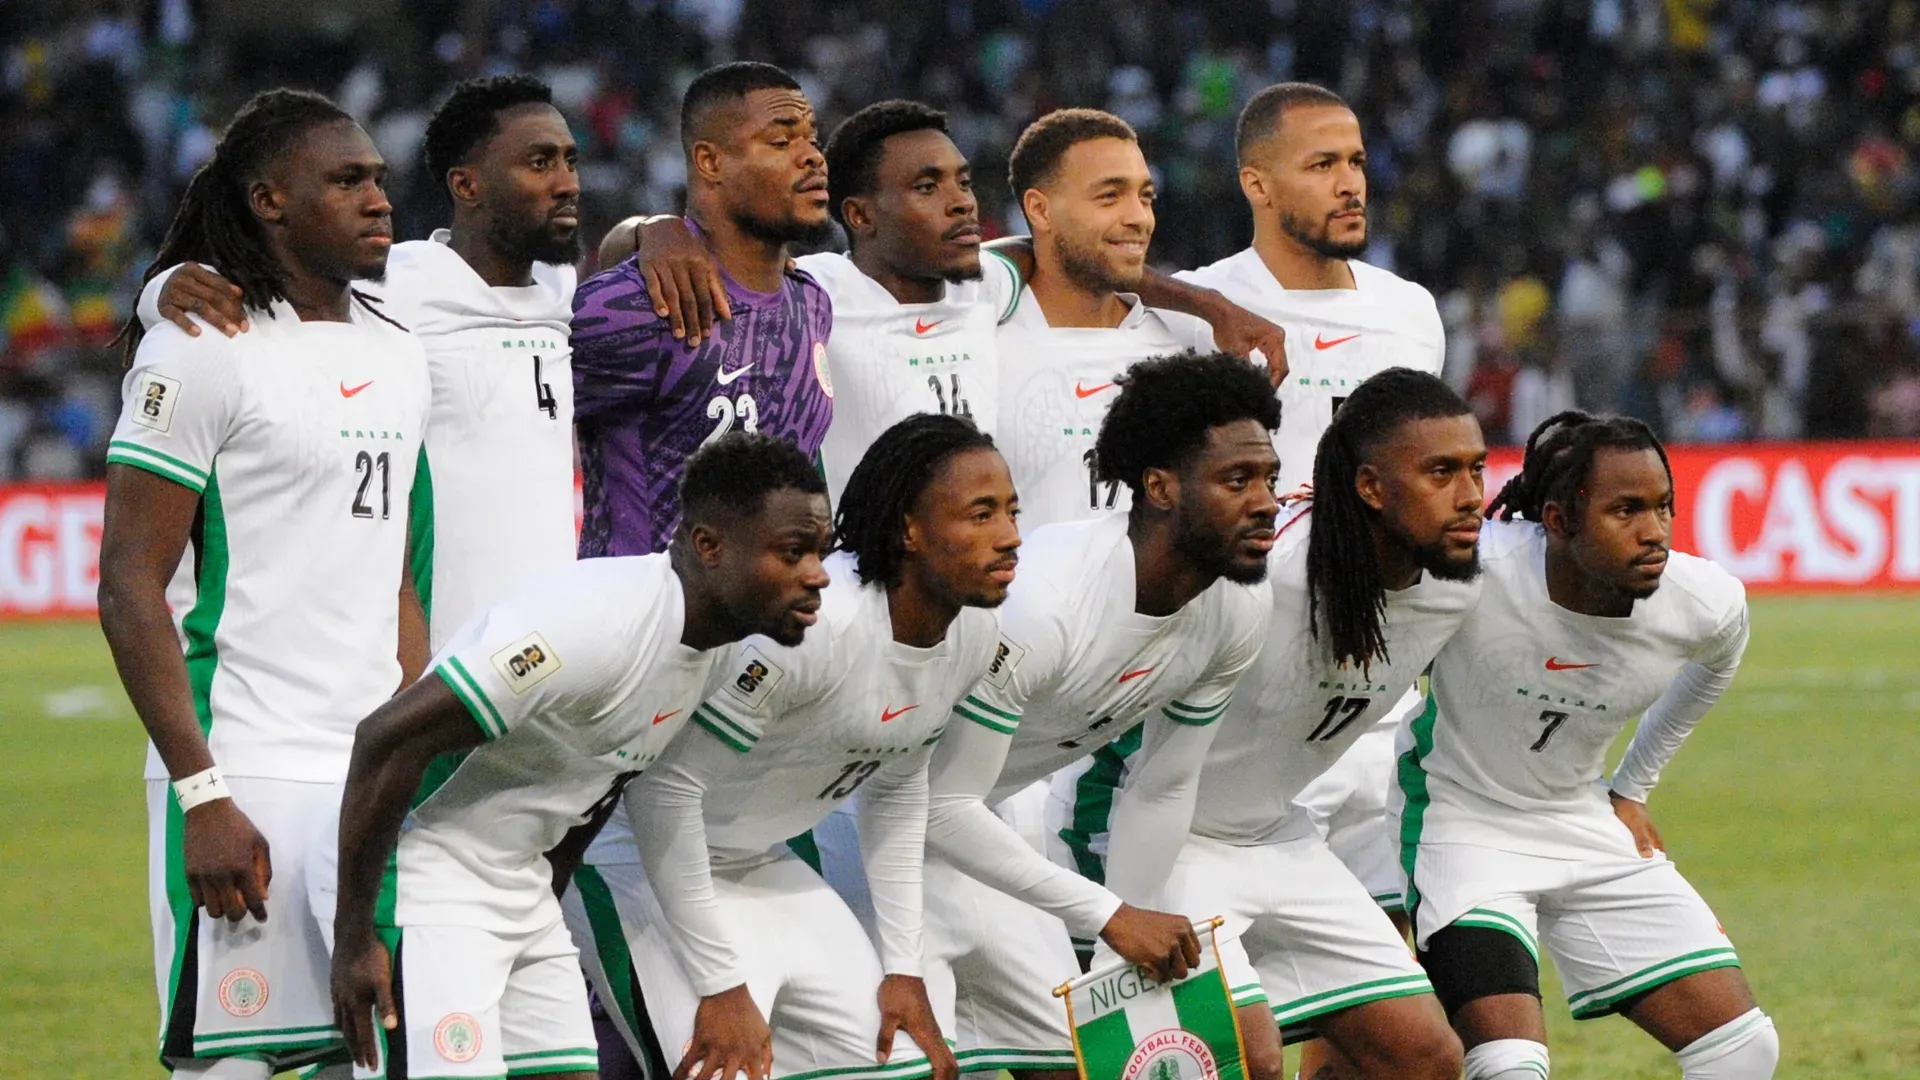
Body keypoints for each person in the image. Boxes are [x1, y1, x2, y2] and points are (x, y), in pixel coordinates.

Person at [1052, 88, 1446, 1055]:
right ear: (1257, 185)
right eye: (1322, 165)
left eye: (1356, 161)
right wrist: (1200, 304)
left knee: (1372, 1027)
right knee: (1234, 1037)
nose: (1350, 183)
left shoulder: (1410, 312)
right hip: (1233, 708)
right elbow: (1038, 255)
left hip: (1362, 709)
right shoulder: (1189, 310)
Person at [96, 88, 429, 1079]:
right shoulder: (201, 348)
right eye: (347, 180)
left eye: (379, 178)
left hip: (368, 777)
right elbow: (128, 584)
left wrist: (412, 761)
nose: (379, 198)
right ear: (269, 200)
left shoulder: (400, 350)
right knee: (231, 1065)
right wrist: (203, 795)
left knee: (369, 1056)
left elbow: (398, 581)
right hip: (245, 767)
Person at [327, 433, 833, 1080]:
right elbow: (385, 739)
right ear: (710, 546)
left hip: (524, 888)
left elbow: (606, 781)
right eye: (793, 552)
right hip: (426, 881)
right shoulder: (593, 626)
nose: (817, 574)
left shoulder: (719, 649)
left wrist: (547, 889)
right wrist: (356, 934)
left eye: (820, 552)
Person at [571, 414, 1019, 1080]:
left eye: (1012, 512)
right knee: (719, 1067)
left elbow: (898, 789)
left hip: (761, 860)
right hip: (636, 858)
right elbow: (663, 789)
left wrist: (904, 967)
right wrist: (720, 982)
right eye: (981, 515)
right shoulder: (812, 628)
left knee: (901, 1067)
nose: (1010, 536)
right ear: (910, 530)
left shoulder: (975, 636)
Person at [601, 99, 1280, 509]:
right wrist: (653, 230)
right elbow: (623, 261)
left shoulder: (983, 286)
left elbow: (1069, 251)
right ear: (861, 215)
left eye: (963, 182)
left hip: (974, 598)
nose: (961, 201)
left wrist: (1207, 305)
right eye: (928, 187)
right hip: (862, 596)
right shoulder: (819, 292)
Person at [920, 351, 1279, 1078]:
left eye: (1270, 477)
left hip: (979, 828)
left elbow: (1163, 786)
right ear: (1160, 487)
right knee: (912, 1065)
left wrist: (1130, 937)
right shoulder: (1045, 602)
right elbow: (934, 801)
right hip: (868, 826)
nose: (1268, 501)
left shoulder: (1239, 608)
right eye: (1237, 480)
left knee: (1084, 1065)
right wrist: (1111, 917)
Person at [1116, 368, 1483, 1080]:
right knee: (1247, 1057)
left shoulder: (1457, 588)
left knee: (1429, 1056)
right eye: (1441, 473)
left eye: (1476, 469)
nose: (1470, 495)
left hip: (1277, 836)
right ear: (1370, 487)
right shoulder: (1261, 575)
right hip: (1156, 837)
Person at [139, 73, 583, 649]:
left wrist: (653, 230)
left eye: (570, 161)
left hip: (550, 657)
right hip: (442, 660)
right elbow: (261, 294)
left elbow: (632, 250)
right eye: (541, 163)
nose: (567, 183)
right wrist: (162, 289)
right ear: (466, 185)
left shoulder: (564, 291)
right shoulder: (397, 286)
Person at [1397, 412, 1777, 1080]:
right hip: (1459, 825)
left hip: (1582, 821)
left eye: (1663, 507)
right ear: (1557, 519)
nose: (1654, 531)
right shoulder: (1474, 571)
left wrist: (1632, 787)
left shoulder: (1704, 602)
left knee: (1743, 1050)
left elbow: (1717, 665)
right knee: (1510, 1068)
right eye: (1625, 510)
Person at [570, 61, 834, 558]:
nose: (813, 158)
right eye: (781, 142)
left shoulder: (812, 301)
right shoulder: (637, 305)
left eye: (813, 140)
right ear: (710, 162)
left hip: (784, 604)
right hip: (653, 605)